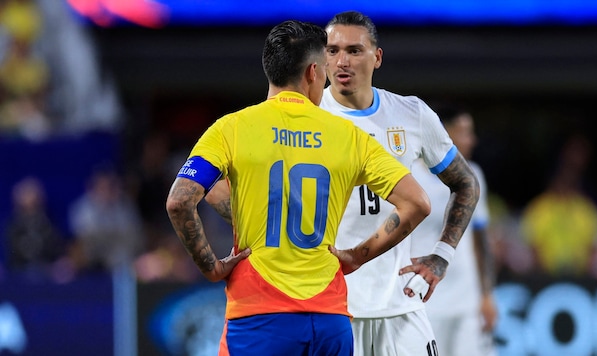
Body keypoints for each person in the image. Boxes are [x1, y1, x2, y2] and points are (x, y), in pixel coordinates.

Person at [166, 20, 433, 356]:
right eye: (325, 68)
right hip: (329, 320)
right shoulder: (349, 137)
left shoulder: (231, 129)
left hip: (258, 317)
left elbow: (180, 201)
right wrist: (356, 257)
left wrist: (212, 267)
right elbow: (418, 203)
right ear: (312, 73)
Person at [316, 11, 480, 355]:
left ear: (377, 57)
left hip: (402, 304)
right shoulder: (304, 118)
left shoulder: (411, 114)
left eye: (354, 50)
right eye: (332, 50)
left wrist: (442, 255)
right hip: (331, 307)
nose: (342, 61)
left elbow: (466, 183)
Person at [411, 103, 498, 355]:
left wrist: (487, 295)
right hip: (426, 300)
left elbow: (481, 240)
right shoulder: (410, 175)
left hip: (467, 301)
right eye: (464, 132)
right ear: (444, 135)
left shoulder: (474, 176)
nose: (472, 140)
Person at [520, 132, 597, 277]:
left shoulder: (586, 209)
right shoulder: (540, 208)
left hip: (581, 277)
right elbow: (533, 247)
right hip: (545, 276)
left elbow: (593, 248)